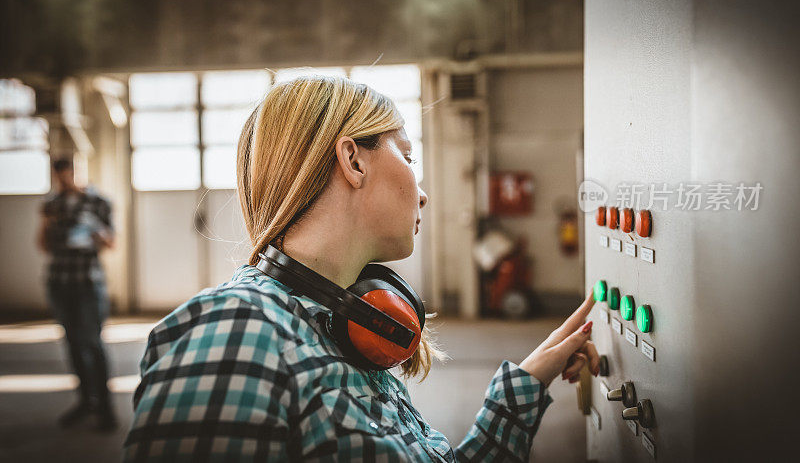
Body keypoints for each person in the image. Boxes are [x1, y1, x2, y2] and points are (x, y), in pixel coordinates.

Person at [123, 76, 600, 461]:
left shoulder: (345, 323)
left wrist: (527, 384)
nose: (423, 192)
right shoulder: (235, 331)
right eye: (408, 156)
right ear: (352, 160)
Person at [37, 156, 118, 431]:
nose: (64, 180)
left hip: (87, 282)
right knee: (72, 343)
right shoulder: (51, 205)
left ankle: (105, 408)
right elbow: (44, 246)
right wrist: (46, 222)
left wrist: (96, 232)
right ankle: (86, 401)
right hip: (59, 282)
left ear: (78, 171)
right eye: (59, 176)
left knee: (92, 343)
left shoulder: (99, 202)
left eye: (68, 174)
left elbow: (111, 242)